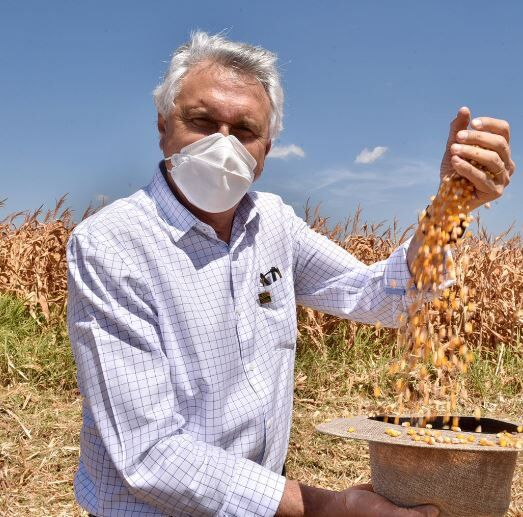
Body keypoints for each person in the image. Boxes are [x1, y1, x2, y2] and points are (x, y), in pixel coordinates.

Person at [67, 31, 515, 517]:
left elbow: (376, 295)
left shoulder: (273, 223)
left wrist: (448, 209)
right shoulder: (112, 245)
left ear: (266, 149)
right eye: (201, 121)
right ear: (163, 126)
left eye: (244, 131)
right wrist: (325, 507)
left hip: (259, 501)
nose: (222, 145)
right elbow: (152, 456)